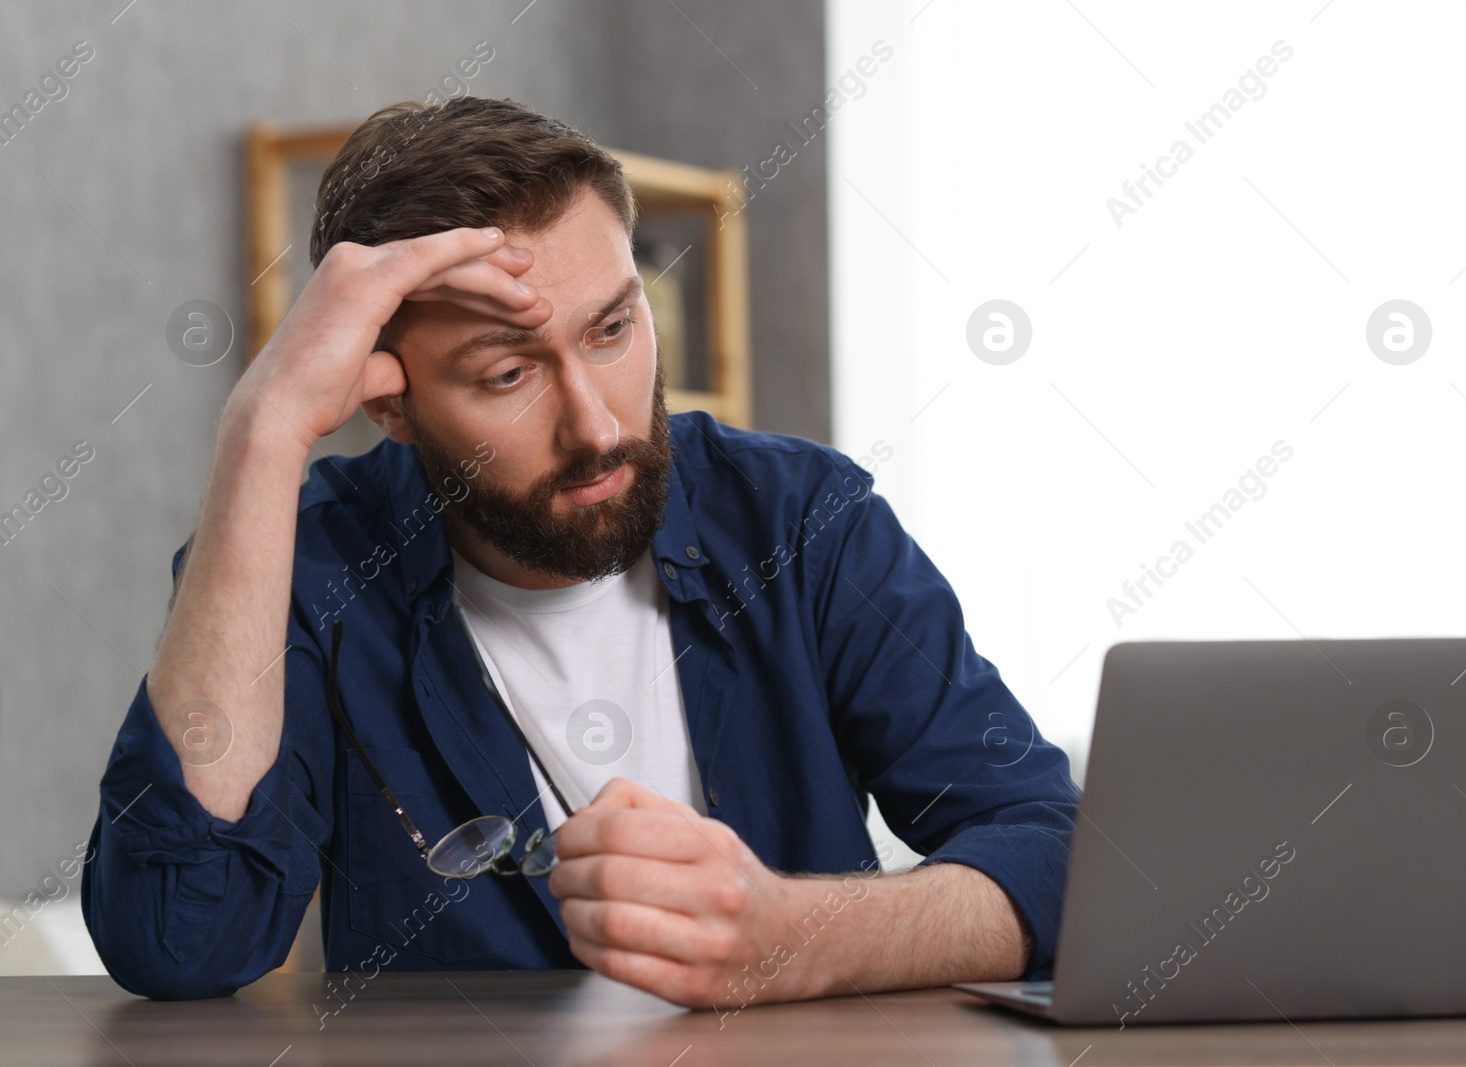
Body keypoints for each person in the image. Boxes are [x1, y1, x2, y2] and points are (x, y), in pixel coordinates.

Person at [81, 96, 1079, 1009]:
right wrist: (263, 426)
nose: (598, 423)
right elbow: (180, 935)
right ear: (389, 399)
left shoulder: (804, 518)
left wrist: (795, 937)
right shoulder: (306, 566)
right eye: (508, 371)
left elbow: (1061, 856)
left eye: (611, 329)